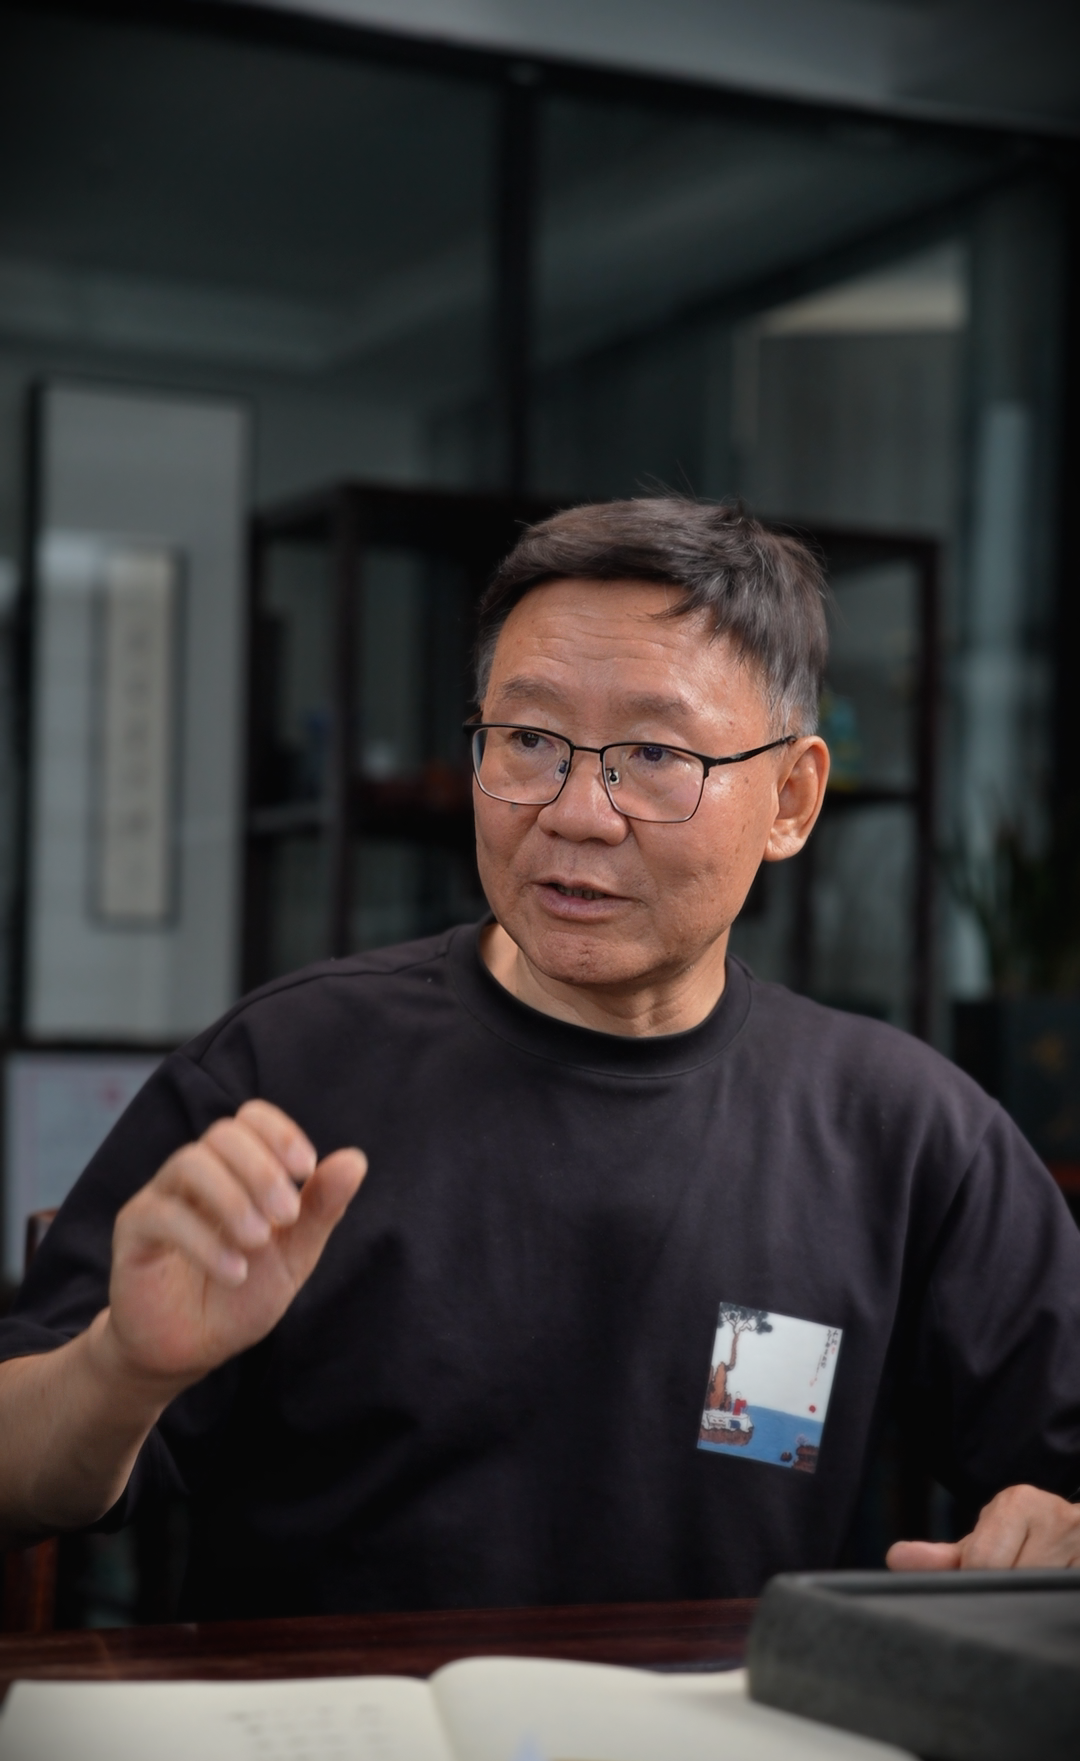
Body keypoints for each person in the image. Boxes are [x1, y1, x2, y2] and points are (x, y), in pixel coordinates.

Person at [0, 499, 1077, 1620]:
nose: (577, 813)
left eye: (654, 755)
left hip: (728, 1728)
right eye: (528, 742)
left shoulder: (901, 1132)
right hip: (336, 1724)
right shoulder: (285, 1072)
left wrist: (1057, 1532)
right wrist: (122, 1370)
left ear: (792, 800)